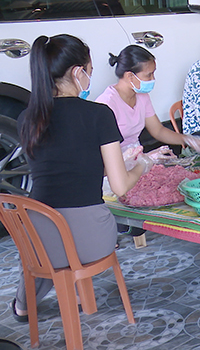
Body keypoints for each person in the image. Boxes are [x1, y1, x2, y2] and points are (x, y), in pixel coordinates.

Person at [13, 34, 152, 322]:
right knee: (72, 240)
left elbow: (59, 171)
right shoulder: (98, 114)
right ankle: (76, 292)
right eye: (88, 71)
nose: (90, 77)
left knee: (48, 243)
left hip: (36, 237)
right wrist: (142, 164)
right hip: (90, 239)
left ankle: (24, 304)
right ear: (77, 72)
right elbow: (120, 185)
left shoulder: (28, 117)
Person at [97, 45, 200, 158]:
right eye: (149, 75)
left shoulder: (142, 96)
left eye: (153, 73)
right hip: (116, 165)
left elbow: (158, 130)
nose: (153, 79)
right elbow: (104, 154)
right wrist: (146, 158)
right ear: (130, 76)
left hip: (137, 158)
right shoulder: (107, 104)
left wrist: (188, 139)